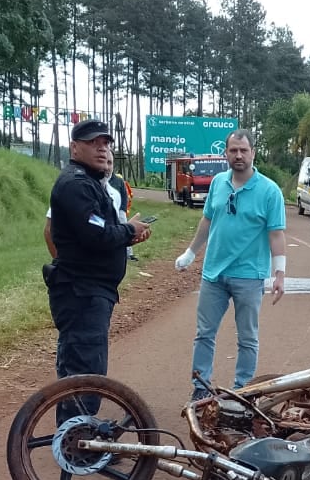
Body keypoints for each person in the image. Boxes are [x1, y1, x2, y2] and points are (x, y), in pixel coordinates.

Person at [45, 119, 151, 423]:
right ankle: (79, 440)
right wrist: (126, 230)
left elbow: (102, 232)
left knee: (80, 366)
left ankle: (75, 432)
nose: (102, 149)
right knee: (85, 369)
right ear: (74, 147)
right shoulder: (76, 184)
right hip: (81, 291)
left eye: (106, 143)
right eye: (94, 143)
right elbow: (97, 234)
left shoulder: (92, 182)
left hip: (89, 291)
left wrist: (129, 233)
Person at [174, 129, 287, 401]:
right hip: (214, 274)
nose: (238, 155)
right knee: (204, 334)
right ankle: (201, 389)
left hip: (249, 276)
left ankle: (242, 392)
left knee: (247, 338)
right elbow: (207, 221)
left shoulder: (269, 191)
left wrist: (279, 274)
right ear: (226, 153)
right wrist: (190, 253)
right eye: (233, 150)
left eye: (243, 150)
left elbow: (276, 234)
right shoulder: (217, 183)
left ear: (253, 153)